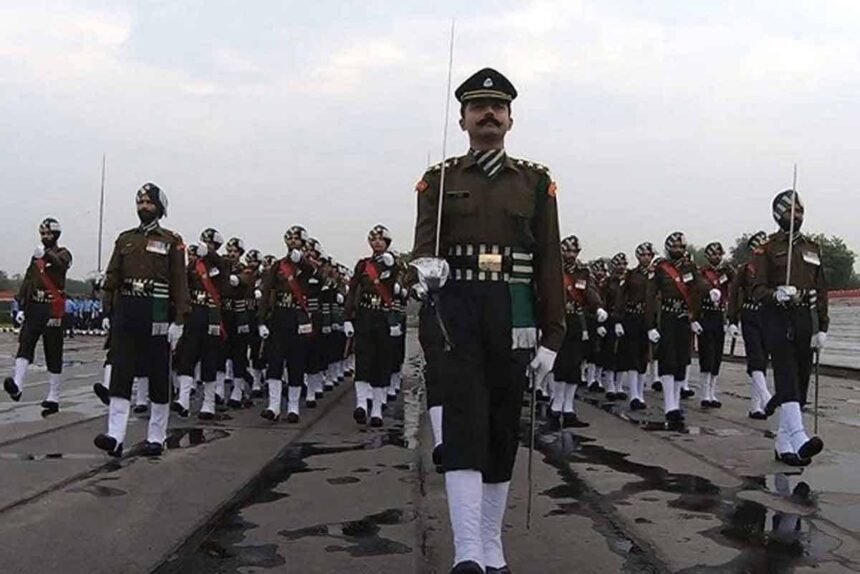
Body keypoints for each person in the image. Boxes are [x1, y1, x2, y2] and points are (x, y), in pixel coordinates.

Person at [410, 67, 565, 574]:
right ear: (463, 120)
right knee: (463, 424)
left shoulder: (535, 182)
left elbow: (549, 262)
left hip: (513, 310)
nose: (489, 114)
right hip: (457, 311)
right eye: (478, 107)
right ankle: (467, 552)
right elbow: (422, 247)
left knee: (501, 427)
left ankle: (491, 544)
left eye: (497, 107)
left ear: (510, 119)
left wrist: (553, 335)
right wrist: (423, 270)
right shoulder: (440, 179)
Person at [94, 183, 187, 457]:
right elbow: (113, 275)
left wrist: (179, 319)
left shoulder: (171, 241)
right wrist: (107, 311)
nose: (143, 207)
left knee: (158, 374)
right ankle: (115, 436)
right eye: (140, 202)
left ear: (160, 207)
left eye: (148, 202)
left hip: (157, 308)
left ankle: (156, 436)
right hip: (127, 309)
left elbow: (179, 283)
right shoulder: (125, 239)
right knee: (121, 372)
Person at [752, 190, 827, 466]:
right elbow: (756, 289)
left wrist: (822, 326)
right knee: (786, 376)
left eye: (800, 211)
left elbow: (821, 289)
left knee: (801, 379)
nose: (796, 216)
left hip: (805, 317)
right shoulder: (767, 249)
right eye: (790, 211)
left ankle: (783, 443)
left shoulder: (812, 248)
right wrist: (776, 294)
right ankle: (798, 437)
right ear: (777, 215)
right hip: (777, 317)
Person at [4, 218, 72, 416]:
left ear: (56, 235)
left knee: (53, 349)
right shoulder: (36, 256)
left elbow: (61, 264)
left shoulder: (63, 253)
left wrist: (46, 255)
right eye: (43, 234)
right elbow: (29, 280)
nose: (45, 237)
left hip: (52, 306)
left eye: (49, 233)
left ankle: (53, 396)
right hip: (35, 305)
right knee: (25, 342)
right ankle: (17, 384)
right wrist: (21, 306)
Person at [646, 232, 707, 431]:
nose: (678, 250)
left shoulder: (690, 267)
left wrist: (696, 315)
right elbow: (650, 297)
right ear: (668, 248)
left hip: (684, 319)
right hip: (667, 318)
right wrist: (650, 325)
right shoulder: (660, 268)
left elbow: (699, 286)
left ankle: (676, 404)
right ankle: (669, 405)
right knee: (668, 360)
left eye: (681, 247)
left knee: (682, 360)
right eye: (675, 247)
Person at [344, 224, 402, 428]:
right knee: (363, 359)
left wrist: (391, 267)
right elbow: (353, 290)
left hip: (384, 317)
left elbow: (397, 288)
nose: (377, 242)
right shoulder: (363, 265)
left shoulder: (393, 264)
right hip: (365, 315)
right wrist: (348, 318)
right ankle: (361, 404)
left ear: (387, 243)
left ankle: (377, 410)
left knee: (381, 363)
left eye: (381, 240)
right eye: (374, 239)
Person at [258, 225, 315, 423]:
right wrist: (261, 320)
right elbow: (266, 292)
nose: (292, 242)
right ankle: (273, 406)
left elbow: (314, 274)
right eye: (290, 239)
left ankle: (293, 407)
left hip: (298, 318)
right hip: (279, 317)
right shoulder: (278, 266)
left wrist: (302, 261)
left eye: (296, 239)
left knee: (296, 363)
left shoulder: (307, 266)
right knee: (275, 361)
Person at [546, 235, 603, 430]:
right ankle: (556, 405)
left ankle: (569, 408)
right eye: (568, 251)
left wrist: (598, 307)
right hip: (558, 319)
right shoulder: (554, 269)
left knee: (574, 365)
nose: (571, 254)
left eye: (575, 251)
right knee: (560, 364)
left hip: (577, 321)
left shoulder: (582, 272)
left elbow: (590, 291)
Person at [172, 228, 226, 420]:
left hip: (211, 316)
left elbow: (222, 273)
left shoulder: (220, 264)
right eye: (204, 242)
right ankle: (183, 400)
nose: (205, 246)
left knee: (209, 360)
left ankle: (208, 403)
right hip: (194, 314)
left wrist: (210, 254)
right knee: (187, 357)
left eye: (209, 243)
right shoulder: (194, 266)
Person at [727, 231, 772, 419]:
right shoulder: (746, 269)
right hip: (750, 314)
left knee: (763, 359)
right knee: (756, 357)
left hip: (768, 315)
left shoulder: (773, 268)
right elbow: (734, 294)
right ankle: (765, 397)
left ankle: (756, 406)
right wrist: (732, 320)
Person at [615, 242, 656, 411]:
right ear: (638, 256)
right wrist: (618, 320)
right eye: (643, 255)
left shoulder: (656, 274)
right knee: (632, 355)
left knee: (644, 356)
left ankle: (640, 392)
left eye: (649, 255)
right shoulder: (631, 274)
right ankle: (633, 394)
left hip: (648, 318)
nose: (646, 258)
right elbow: (621, 297)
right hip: (632, 317)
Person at [697, 242, 735, 408]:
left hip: (719, 315)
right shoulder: (703, 272)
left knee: (717, 354)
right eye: (713, 254)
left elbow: (736, 282)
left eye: (719, 254)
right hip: (706, 314)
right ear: (708, 256)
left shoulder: (726, 271)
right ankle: (704, 392)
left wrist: (730, 270)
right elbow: (698, 288)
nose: (717, 257)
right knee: (707, 353)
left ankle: (712, 392)